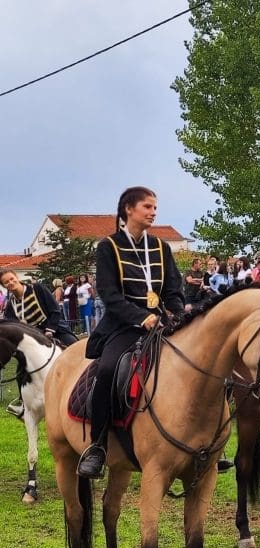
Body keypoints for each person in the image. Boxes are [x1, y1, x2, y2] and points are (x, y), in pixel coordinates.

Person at [76, 186, 185, 479]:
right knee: (108, 369)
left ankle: (205, 441)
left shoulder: (161, 248)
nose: (153, 212)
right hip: (123, 326)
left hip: (162, 324)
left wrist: (175, 313)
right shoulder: (108, 247)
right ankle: (98, 446)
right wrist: (141, 317)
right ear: (129, 209)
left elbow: (174, 290)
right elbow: (109, 295)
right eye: (147, 207)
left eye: (154, 208)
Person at [1, 268, 80, 418]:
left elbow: (55, 310)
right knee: (20, 371)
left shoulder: (36, 288)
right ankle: (23, 404)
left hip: (53, 329)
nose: (10, 283)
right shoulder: (11, 303)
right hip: (32, 340)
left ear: (16, 277)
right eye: (6, 282)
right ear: (5, 286)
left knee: (76, 347)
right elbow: (11, 325)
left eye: (11, 279)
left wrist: (50, 330)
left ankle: (87, 387)